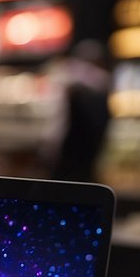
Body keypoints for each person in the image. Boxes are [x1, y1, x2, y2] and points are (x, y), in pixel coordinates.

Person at [51, 40, 112, 183]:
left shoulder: (80, 86)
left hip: (72, 164)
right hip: (85, 164)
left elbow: (59, 132)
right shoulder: (101, 88)